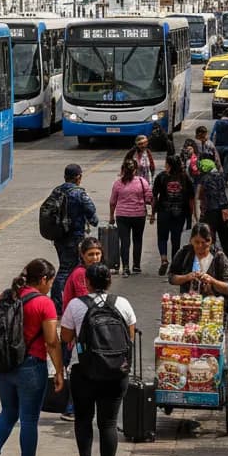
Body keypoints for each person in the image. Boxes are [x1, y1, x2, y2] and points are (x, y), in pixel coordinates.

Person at [0, 259, 64, 456]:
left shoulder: (7, 295)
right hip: (31, 367)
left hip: (4, 365)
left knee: (7, 412)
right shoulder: (44, 304)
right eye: (51, 282)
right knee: (28, 419)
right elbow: (52, 342)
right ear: (43, 280)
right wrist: (60, 372)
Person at [60, 263, 137, 456]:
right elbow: (129, 336)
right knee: (109, 423)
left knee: (83, 418)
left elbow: (65, 337)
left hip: (84, 371)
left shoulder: (76, 305)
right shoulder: (122, 303)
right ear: (109, 282)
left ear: (88, 283)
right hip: (116, 372)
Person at [60, 236, 104, 422]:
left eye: (97, 253)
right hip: (78, 331)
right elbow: (86, 302)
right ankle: (71, 408)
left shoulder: (95, 272)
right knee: (80, 369)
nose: (94, 257)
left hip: (88, 329)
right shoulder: (80, 274)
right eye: (90, 254)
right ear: (82, 255)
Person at [49, 163, 99, 311]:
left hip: (59, 237)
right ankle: (58, 304)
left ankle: (67, 300)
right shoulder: (79, 193)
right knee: (67, 270)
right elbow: (92, 215)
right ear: (78, 177)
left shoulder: (56, 191)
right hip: (74, 238)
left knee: (67, 268)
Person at [167, 222, 228, 328]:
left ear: (210, 241)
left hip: (213, 312)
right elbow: (171, 277)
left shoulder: (219, 257)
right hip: (188, 312)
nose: (200, 246)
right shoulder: (185, 253)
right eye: (196, 242)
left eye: (204, 243)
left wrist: (212, 281)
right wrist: (187, 277)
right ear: (191, 240)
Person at [109, 157, 153, 277]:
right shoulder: (142, 182)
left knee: (124, 242)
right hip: (139, 215)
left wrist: (111, 216)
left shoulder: (118, 184)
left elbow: (113, 201)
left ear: (123, 170)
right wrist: (152, 212)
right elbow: (149, 197)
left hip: (122, 216)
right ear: (135, 170)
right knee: (137, 240)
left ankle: (126, 268)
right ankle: (137, 266)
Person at [152, 154, 195, 277]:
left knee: (162, 237)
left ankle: (164, 259)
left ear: (169, 165)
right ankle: (175, 266)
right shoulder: (185, 177)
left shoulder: (161, 177)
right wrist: (191, 215)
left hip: (163, 212)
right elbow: (191, 198)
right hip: (180, 213)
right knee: (176, 239)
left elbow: (155, 197)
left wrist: (152, 213)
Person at [195, 158, 228, 264]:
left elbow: (199, 195)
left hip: (210, 212)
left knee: (210, 239)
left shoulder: (204, 179)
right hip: (224, 210)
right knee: (226, 240)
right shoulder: (220, 177)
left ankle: (210, 262)